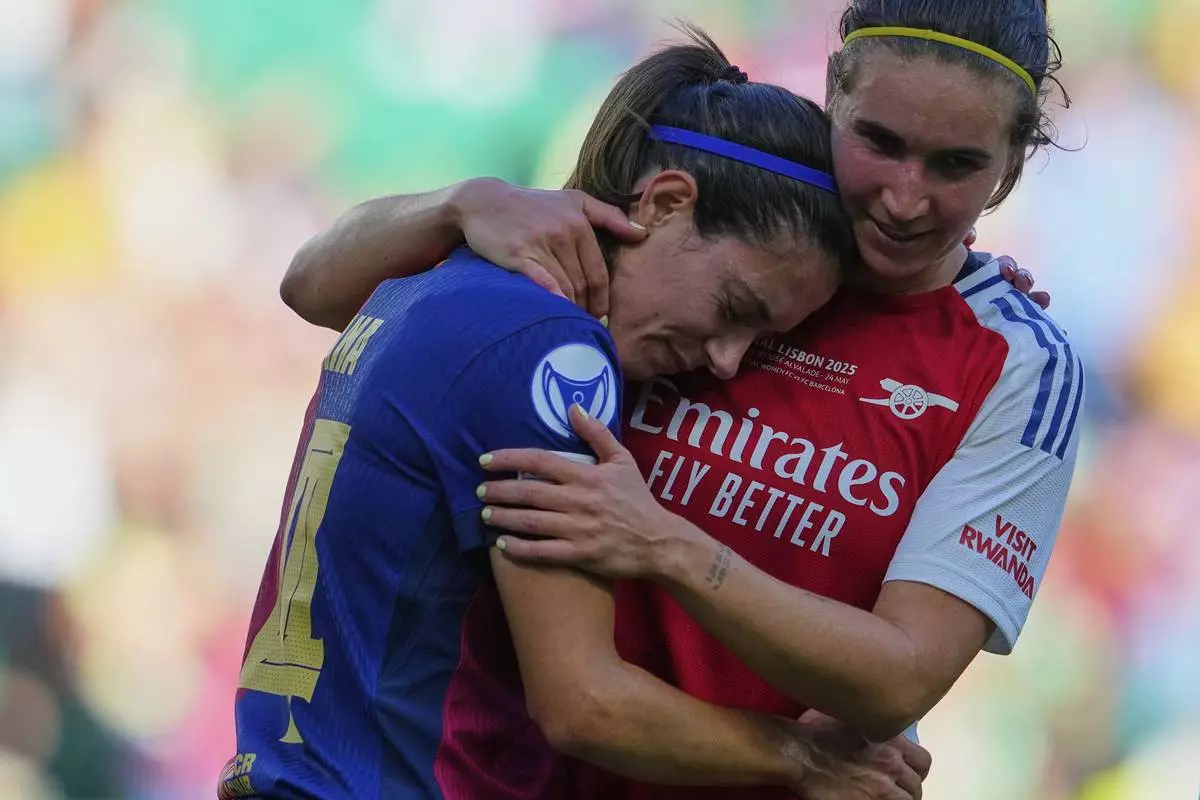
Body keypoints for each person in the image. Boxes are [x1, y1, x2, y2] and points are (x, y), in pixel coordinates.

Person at [280, 1, 1081, 798]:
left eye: (956, 166)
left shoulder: (1011, 364)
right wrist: (456, 204)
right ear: (831, 97)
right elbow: (315, 289)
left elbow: (899, 679)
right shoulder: (706, 229)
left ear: (1008, 170)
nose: (905, 199)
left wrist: (665, 545)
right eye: (880, 142)